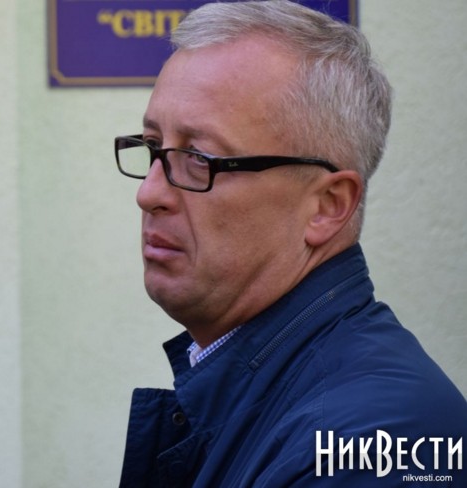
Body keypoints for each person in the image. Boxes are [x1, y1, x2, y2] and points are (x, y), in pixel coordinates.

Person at [113, 1, 467, 487]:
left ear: (326, 205)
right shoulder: (269, 393)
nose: (149, 193)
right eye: (154, 147)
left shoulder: (373, 443)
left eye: (199, 157)